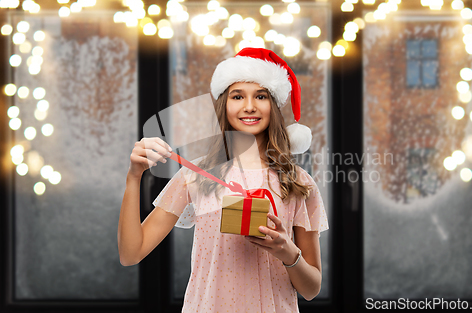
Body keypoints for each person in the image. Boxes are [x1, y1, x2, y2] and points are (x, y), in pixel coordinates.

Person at [118, 47, 329, 312]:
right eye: (237, 96)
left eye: (261, 96)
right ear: (224, 105)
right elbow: (130, 253)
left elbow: (311, 289)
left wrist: (287, 251)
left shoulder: (299, 182)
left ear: (273, 106)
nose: (249, 106)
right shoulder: (194, 176)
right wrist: (133, 177)